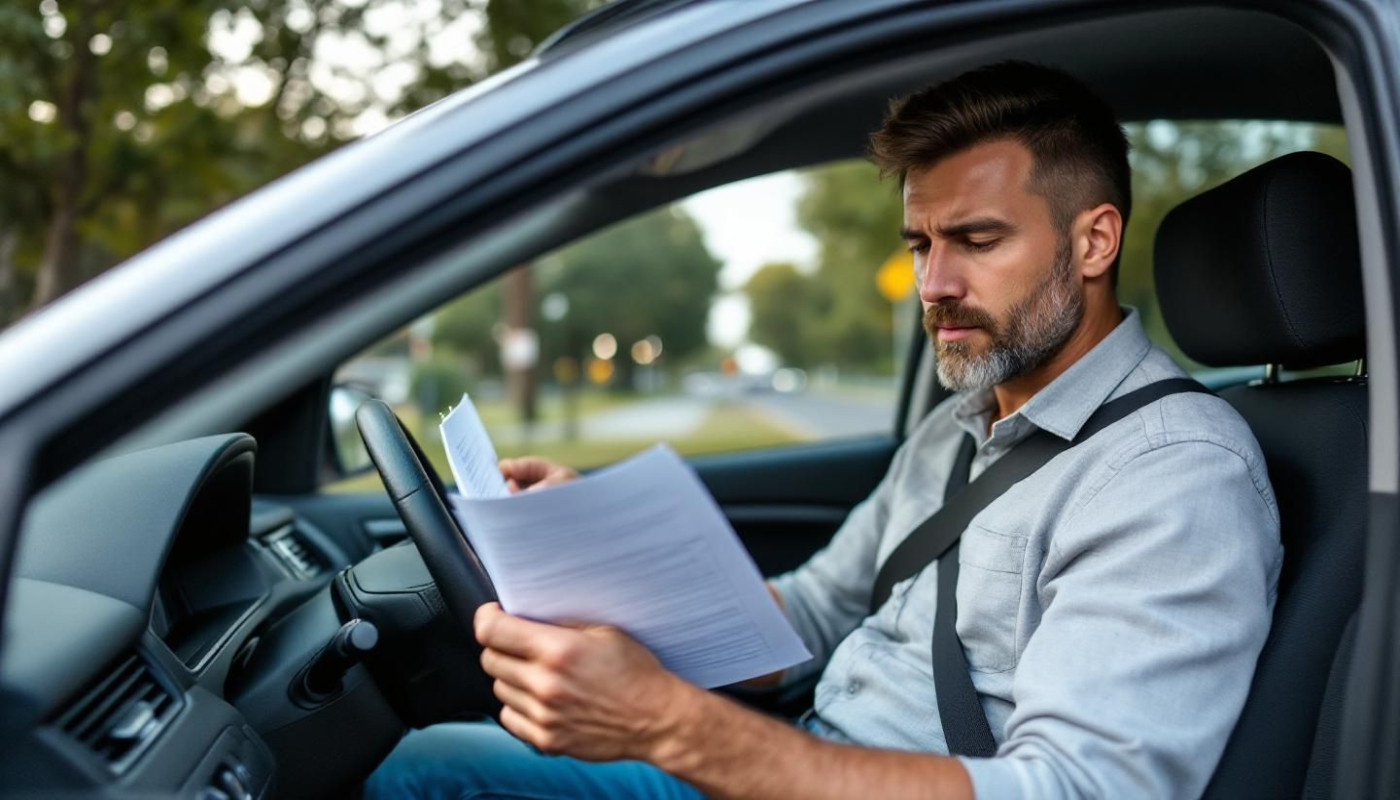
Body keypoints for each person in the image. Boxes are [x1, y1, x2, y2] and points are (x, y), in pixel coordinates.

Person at [365, 61, 1281, 799]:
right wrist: (602, 554)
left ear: (1094, 242)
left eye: (979, 239)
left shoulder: (1174, 474)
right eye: (922, 244)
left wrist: (670, 725)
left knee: (424, 774)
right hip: (798, 758)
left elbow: (1074, 788)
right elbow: (806, 620)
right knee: (427, 755)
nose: (934, 285)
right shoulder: (958, 430)